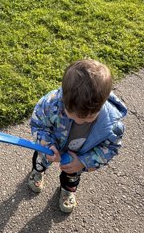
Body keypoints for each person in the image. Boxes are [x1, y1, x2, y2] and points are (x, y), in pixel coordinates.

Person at [28, 59, 127, 213]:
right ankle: (38, 171)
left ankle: (67, 189)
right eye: (71, 114)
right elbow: (39, 124)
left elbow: (110, 148)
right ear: (64, 97)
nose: (79, 120)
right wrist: (46, 144)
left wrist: (83, 162)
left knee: (71, 175)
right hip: (51, 147)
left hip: (78, 156)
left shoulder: (111, 125)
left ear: (101, 105)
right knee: (41, 158)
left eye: (88, 117)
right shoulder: (51, 103)